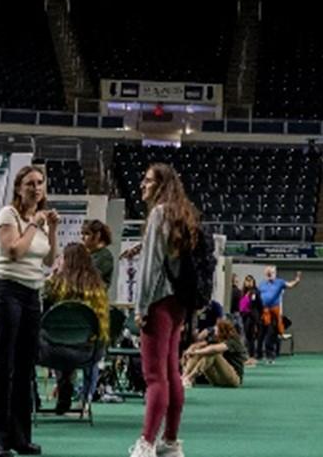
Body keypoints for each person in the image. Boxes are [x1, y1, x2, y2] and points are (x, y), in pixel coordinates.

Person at [0, 164, 58, 457]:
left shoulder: (42, 221)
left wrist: (53, 228)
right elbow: (14, 251)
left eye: (40, 183)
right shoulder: (8, 215)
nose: (36, 188)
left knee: (25, 367)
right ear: (19, 189)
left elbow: (49, 262)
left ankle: (18, 437)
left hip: (31, 294)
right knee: (0, 366)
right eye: (30, 184)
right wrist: (34, 223)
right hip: (5, 291)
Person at [124, 162, 202, 457]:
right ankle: (170, 442)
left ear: (160, 185)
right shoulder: (182, 213)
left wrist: (141, 306)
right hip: (178, 303)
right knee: (171, 373)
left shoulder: (158, 214)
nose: (142, 185)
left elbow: (152, 268)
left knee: (155, 376)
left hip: (157, 301)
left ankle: (146, 443)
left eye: (147, 181)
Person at [41, 241, 109, 416]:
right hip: (90, 353)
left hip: (54, 351)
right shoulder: (99, 287)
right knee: (75, 340)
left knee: (47, 339)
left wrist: (51, 275)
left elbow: (41, 311)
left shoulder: (54, 286)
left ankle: (33, 399)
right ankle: (84, 399)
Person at [181, 319, 247, 389]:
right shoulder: (217, 339)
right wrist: (189, 350)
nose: (214, 330)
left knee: (213, 353)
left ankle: (189, 377)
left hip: (234, 379)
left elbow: (214, 349)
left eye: (216, 329)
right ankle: (184, 376)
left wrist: (195, 351)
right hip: (217, 379)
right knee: (200, 351)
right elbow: (198, 345)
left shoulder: (234, 341)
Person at [254, 265, 301, 364]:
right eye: (268, 272)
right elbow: (256, 296)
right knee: (260, 335)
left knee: (270, 336)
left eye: (272, 272)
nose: (270, 274)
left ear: (275, 273)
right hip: (264, 313)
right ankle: (258, 356)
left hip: (274, 313)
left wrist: (296, 280)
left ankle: (270, 356)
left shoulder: (280, 282)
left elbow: (290, 285)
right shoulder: (262, 284)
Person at [82, 220, 116, 291]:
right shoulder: (88, 254)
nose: (83, 238)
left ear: (97, 235)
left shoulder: (104, 255)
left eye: (87, 234)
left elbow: (88, 276)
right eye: (82, 234)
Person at [235, 275, 261, 350]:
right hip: (244, 316)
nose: (249, 283)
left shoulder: (256, 292)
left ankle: (252, 355)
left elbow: (260, 305)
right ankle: (246, 354)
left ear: (253, 282)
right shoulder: (242, 292)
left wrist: (258, 317)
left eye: (250, 281)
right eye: (247, 281)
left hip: (252, 317)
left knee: (251, 336)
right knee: (245, 335)